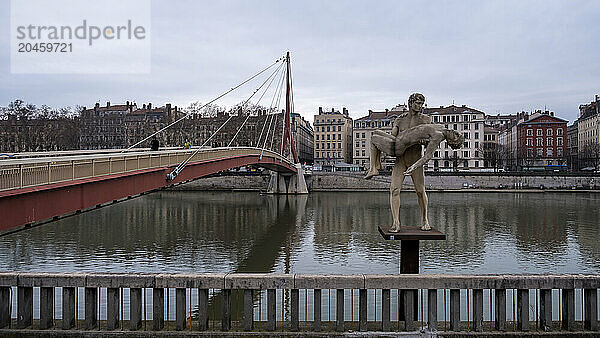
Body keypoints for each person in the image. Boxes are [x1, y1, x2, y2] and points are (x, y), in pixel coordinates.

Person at [364, 93, 432, 231]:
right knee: (394, 190)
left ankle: (425, 219)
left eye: (421, 103)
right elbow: (393, 139)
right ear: (410, 102)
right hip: (400, 160)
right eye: (417, 103)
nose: (420, 106)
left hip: (415, 161)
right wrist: (382, 144)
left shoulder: (426, 119)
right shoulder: (400, 120)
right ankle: (396, 222)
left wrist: (425, 141)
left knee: (420, 191)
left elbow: (430, 139)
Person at [368, 123, 464, 176]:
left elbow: (427, 157)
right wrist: (424, 141)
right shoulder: (441, 127)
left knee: (373, 139)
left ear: (451, 142)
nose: (454, 132)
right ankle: (378, 164)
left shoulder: (438, 136)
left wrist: (413, 167)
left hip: (397, 147)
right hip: (398, 139)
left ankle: (373, 169)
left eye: (456, 136)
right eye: (457, 133)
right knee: (376, 131)